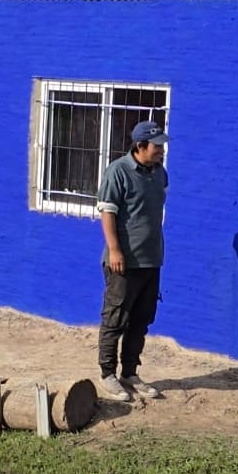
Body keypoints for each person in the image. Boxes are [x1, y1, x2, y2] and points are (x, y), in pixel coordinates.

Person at [96, 120, 169, 402]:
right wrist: (115, 250)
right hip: (123, 263)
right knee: (115, 318)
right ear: (140, 146)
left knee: (141, 320)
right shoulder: (118, 171)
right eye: (157, 146)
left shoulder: (160, 174)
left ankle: (129, 372)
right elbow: (108, 213)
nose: (161, 150)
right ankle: (107, 374)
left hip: (151, 261)